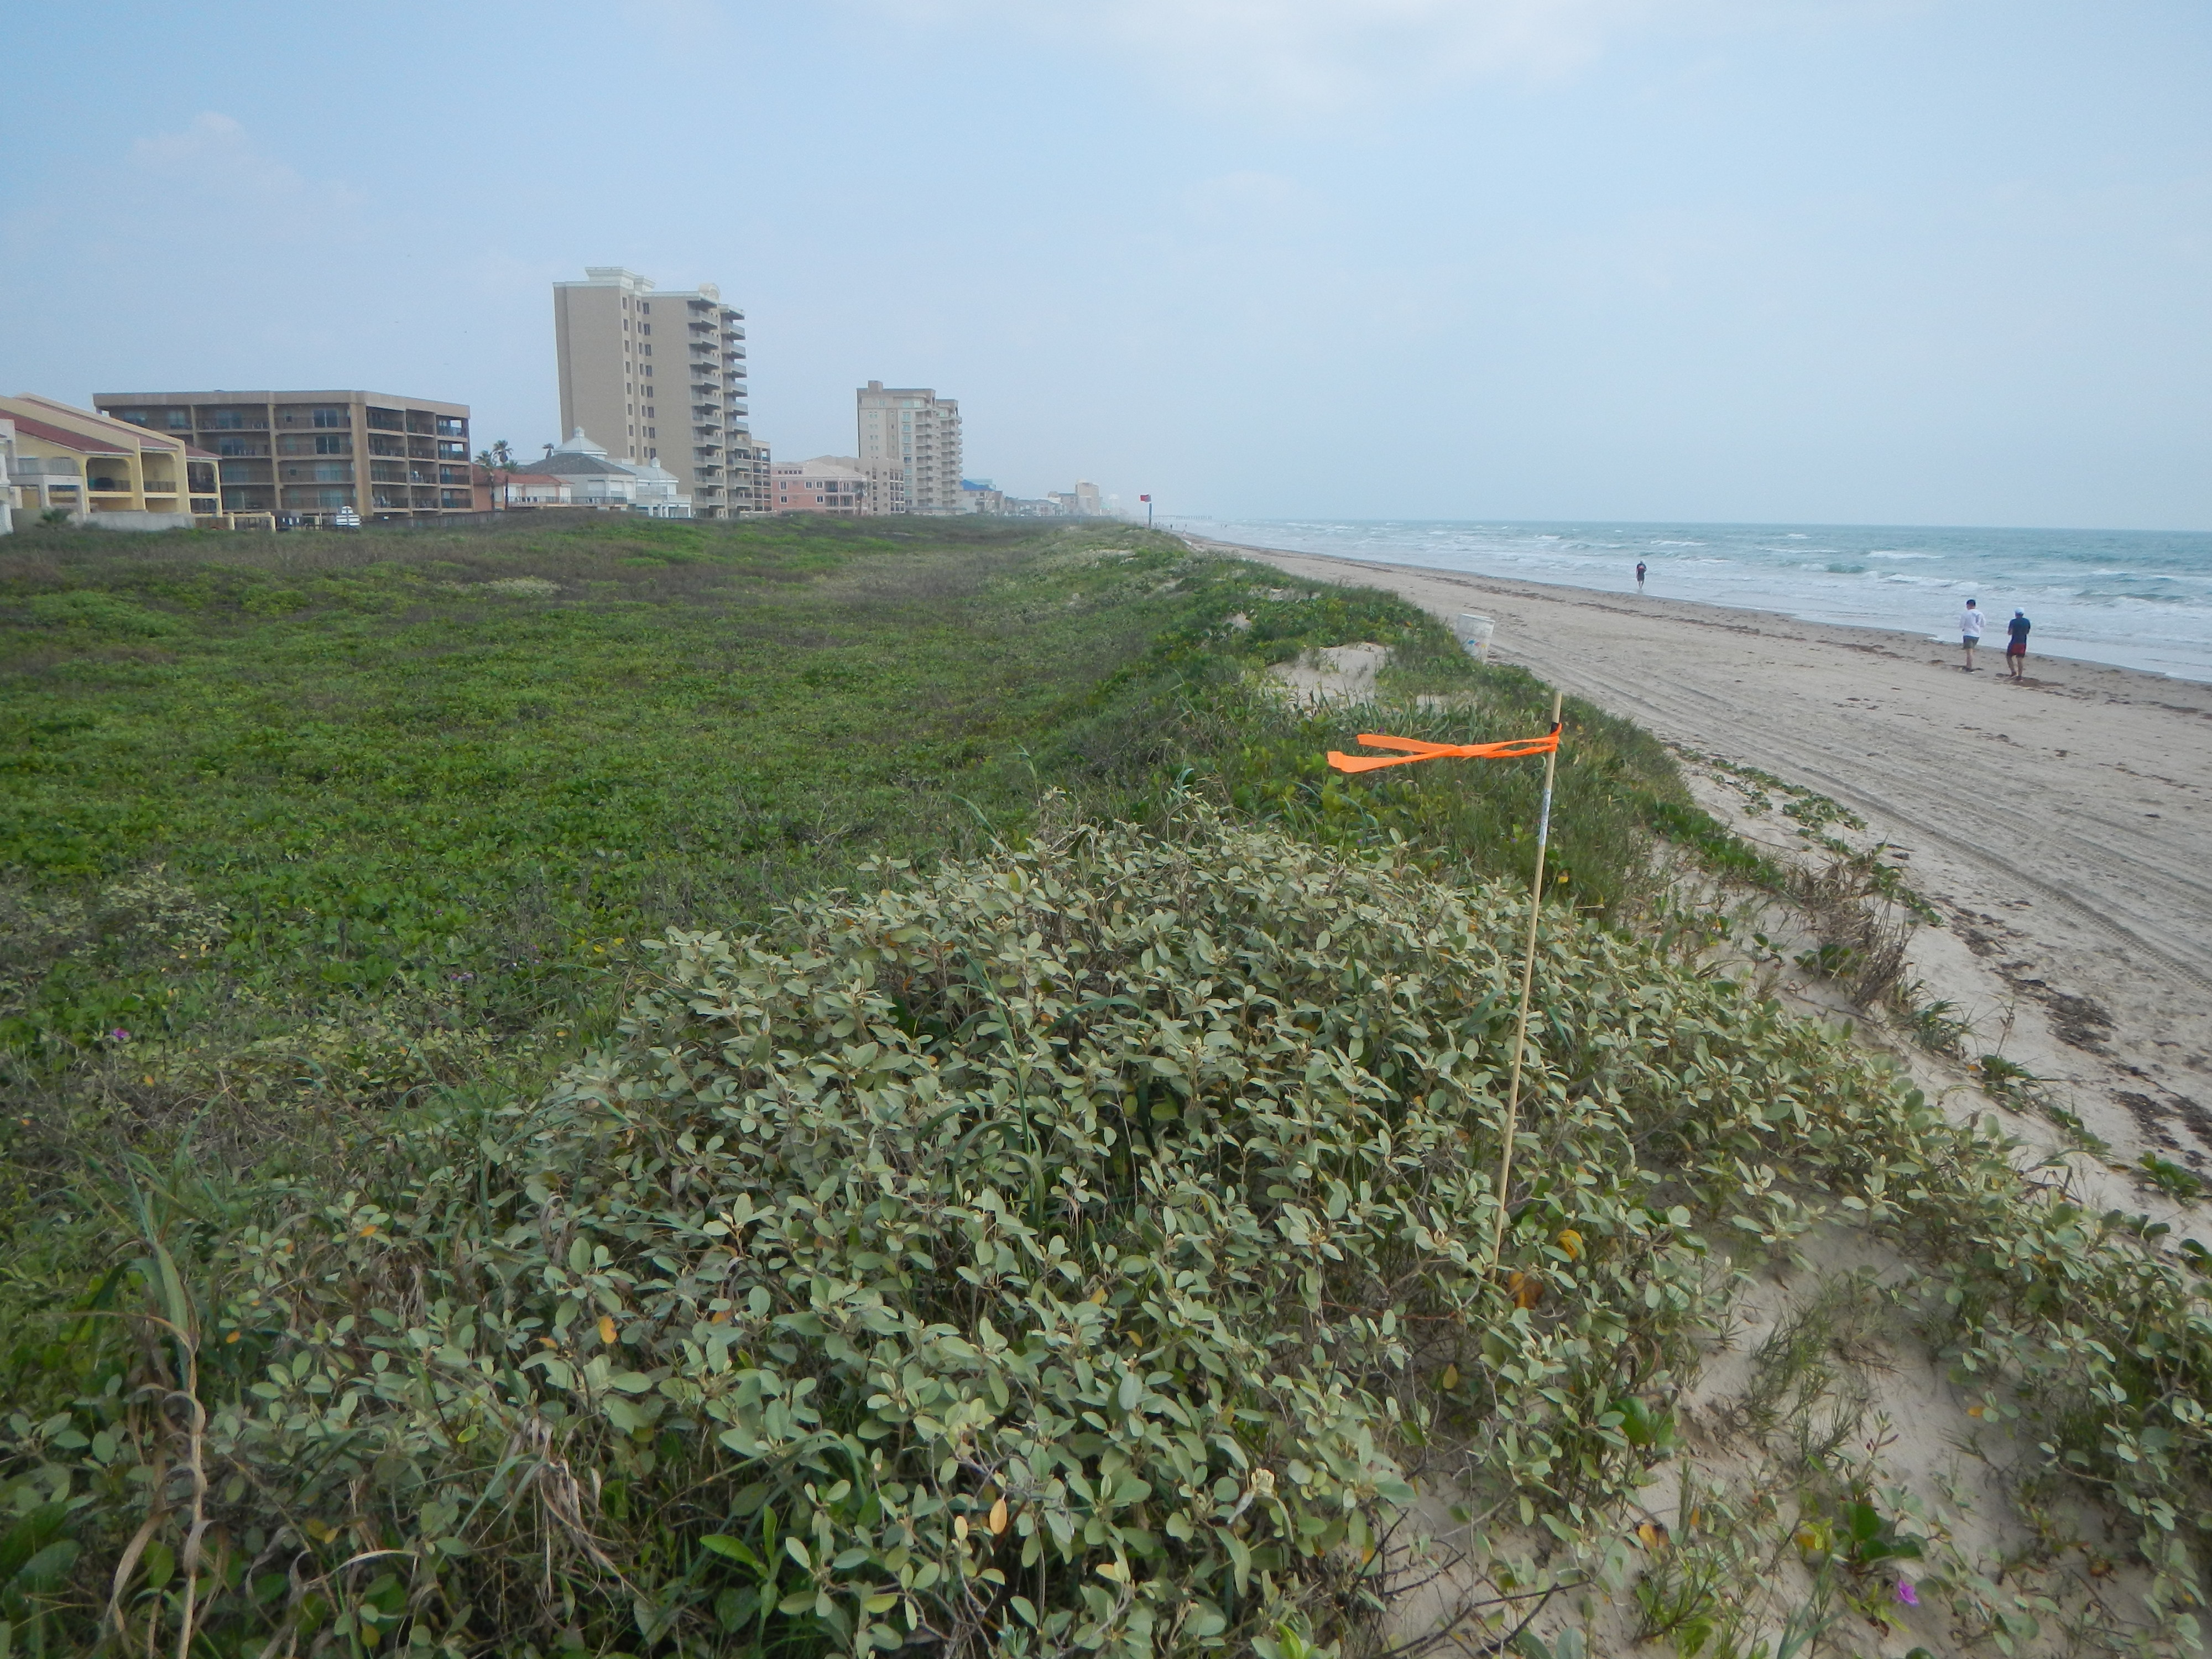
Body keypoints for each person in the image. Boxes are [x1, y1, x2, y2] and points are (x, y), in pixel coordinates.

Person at [1958, 598, 1984, 670]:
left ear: (1968, 605)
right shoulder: (1980, 614)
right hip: (1977, 634)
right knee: (1971, 650)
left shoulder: (1966, 614)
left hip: (1968, 634)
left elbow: (1961, 625)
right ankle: (1968, 664)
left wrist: (1964, 628)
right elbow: (1983, 624)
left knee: (1969, 652)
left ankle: (1969, 666)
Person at [2005, 609, 2031, 679]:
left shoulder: (2013, 621)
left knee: (2009, 656)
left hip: (2014, 641)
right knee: (2020, 659)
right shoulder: (2027, 621)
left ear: (2016, 614)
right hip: (2023, 642)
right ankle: (2020, 675)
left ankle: (2013, 672)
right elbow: (2027, 632)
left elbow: (2010, 633)